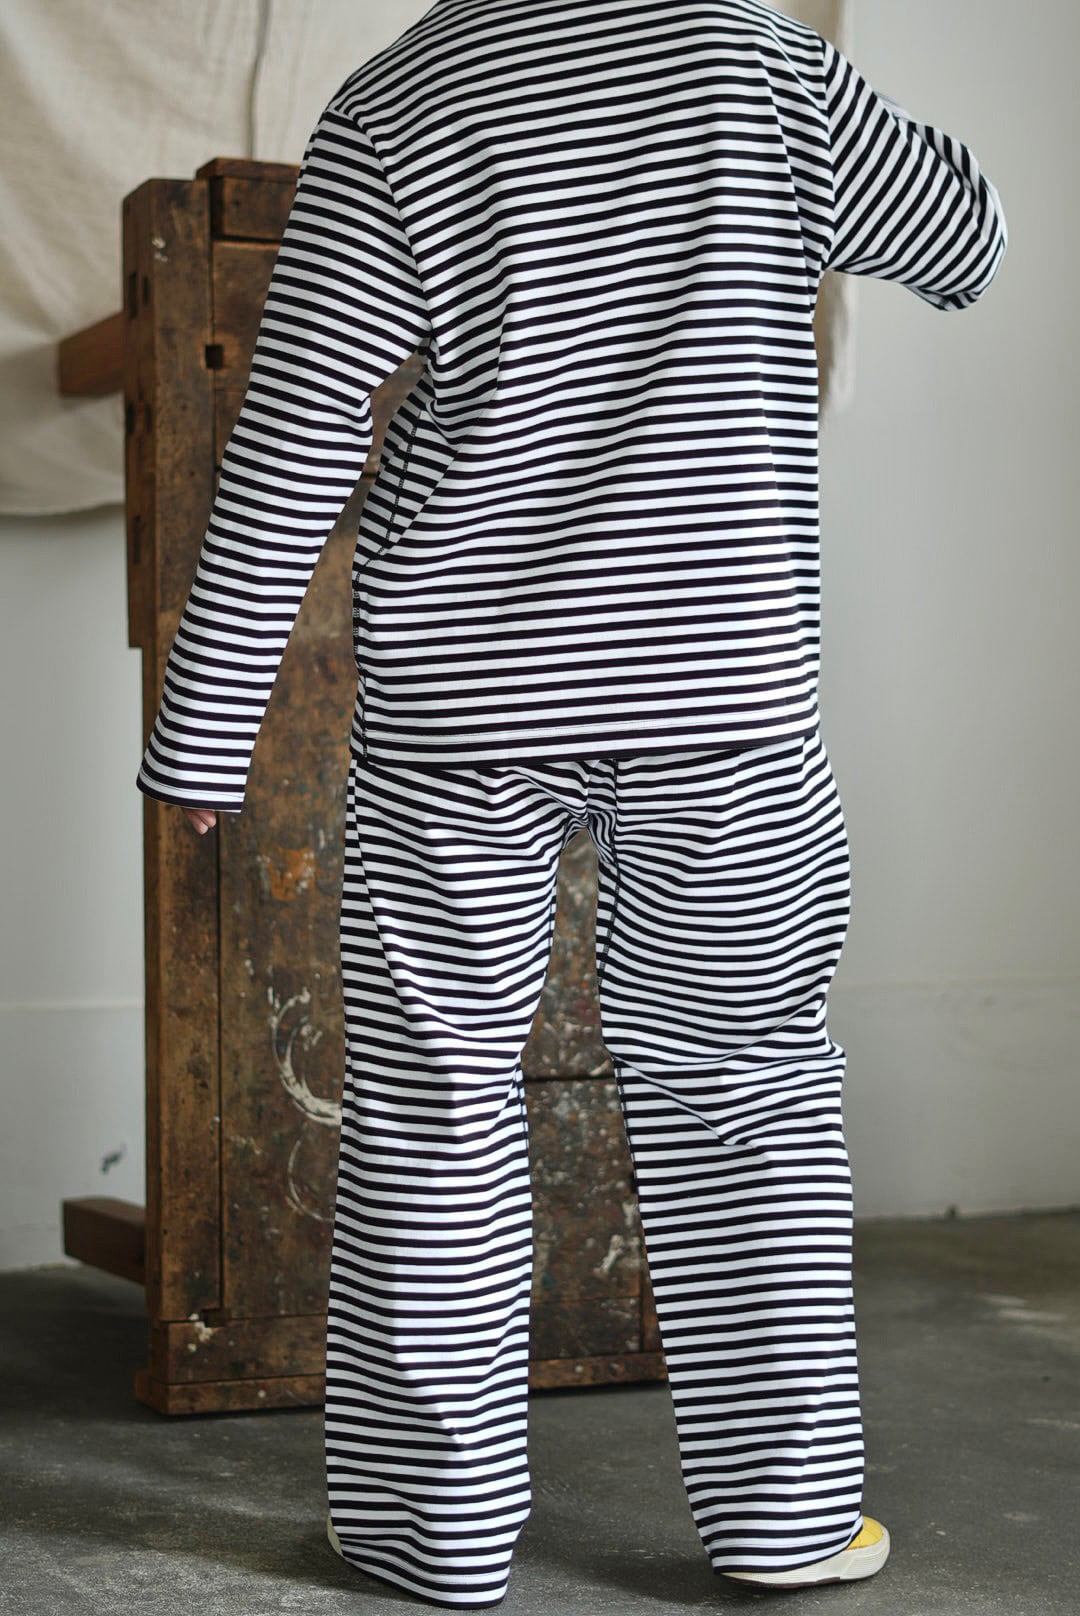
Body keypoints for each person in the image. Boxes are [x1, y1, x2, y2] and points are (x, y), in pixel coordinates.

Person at [136, 0, 1007, 1604]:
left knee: (435, 1096)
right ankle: (785, 1522)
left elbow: (293, 436)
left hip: (458, 707)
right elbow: (969, 235)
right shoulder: (757, 64)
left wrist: (201, 738)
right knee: (744, 1091)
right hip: (721, 691)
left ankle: (432, 1532)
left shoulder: (394, 104)